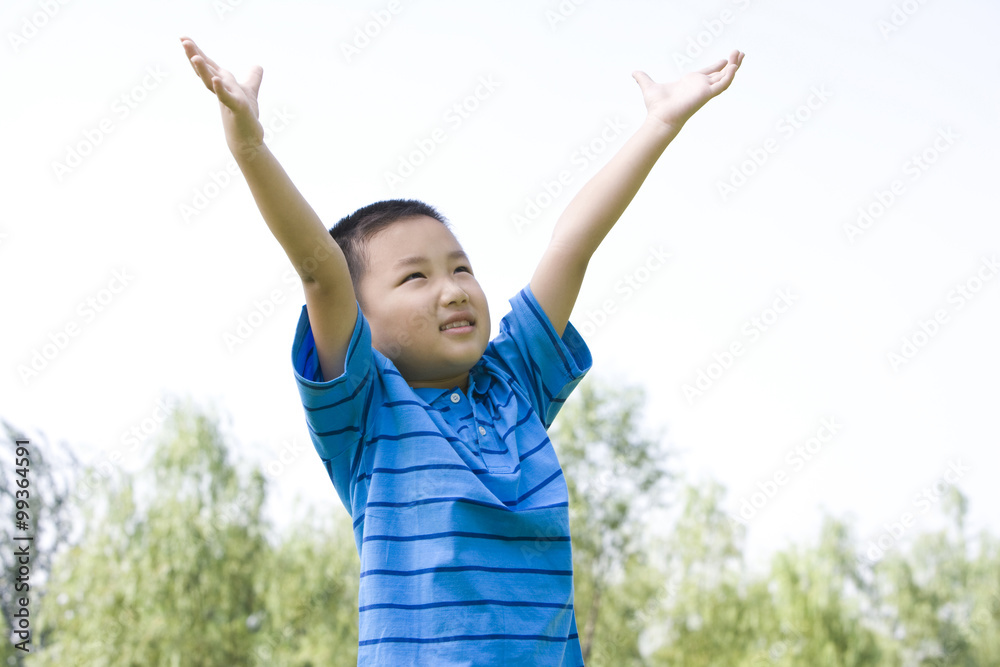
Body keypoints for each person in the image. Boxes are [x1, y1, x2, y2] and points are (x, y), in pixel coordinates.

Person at [181, 35, 742, 666]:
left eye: (461, 268)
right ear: (359, 321)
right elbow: (321, 271)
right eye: (415, 277)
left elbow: (570, 247)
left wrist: (659, 124)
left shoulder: (513, 386)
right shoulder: (367, 414)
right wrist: (251, 147)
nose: (452, 290)